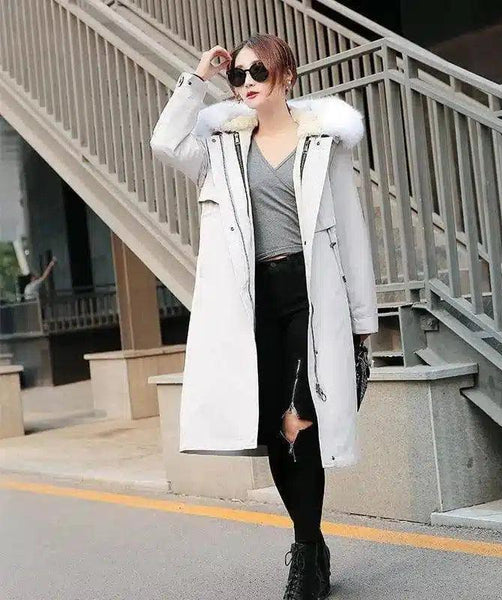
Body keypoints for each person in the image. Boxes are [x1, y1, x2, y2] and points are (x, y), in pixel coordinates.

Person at [150, 34, 378, 600]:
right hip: (255, 302)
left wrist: (362, 324)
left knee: (300, 421)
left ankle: (305, 556)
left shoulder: (324, 142)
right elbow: (165, 142)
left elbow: (351, 232)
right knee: (277, 430)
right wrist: (199, 79)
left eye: (259, 72)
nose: (247, 82)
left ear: (287, 76)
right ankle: (312, 547)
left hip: (311, 295)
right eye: (240, 75)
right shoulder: (223, 147)